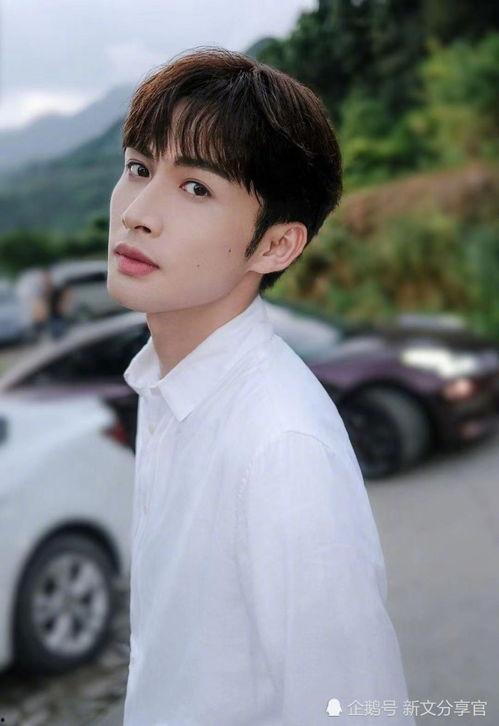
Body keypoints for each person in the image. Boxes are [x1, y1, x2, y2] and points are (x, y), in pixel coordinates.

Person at [107, 47, 416, 726]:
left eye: (196, 188)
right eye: (138, 168)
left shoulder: (280, 447)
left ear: (275, 245)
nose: (137, 212)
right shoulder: (170, 387)